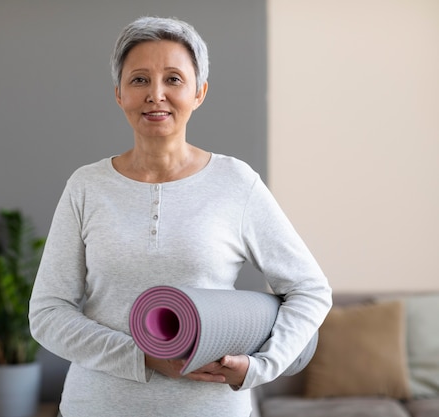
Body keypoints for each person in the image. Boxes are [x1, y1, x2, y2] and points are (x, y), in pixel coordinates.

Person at [29, 16, 332, 417]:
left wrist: (260, 368)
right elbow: (48, 313)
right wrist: (145, 357)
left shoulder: (236, 182)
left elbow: (310, 290)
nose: (156, 94)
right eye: (139, 80)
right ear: (118, 93)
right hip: (97, 407)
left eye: (173, 79)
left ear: (199, 92)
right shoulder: (87, 186)